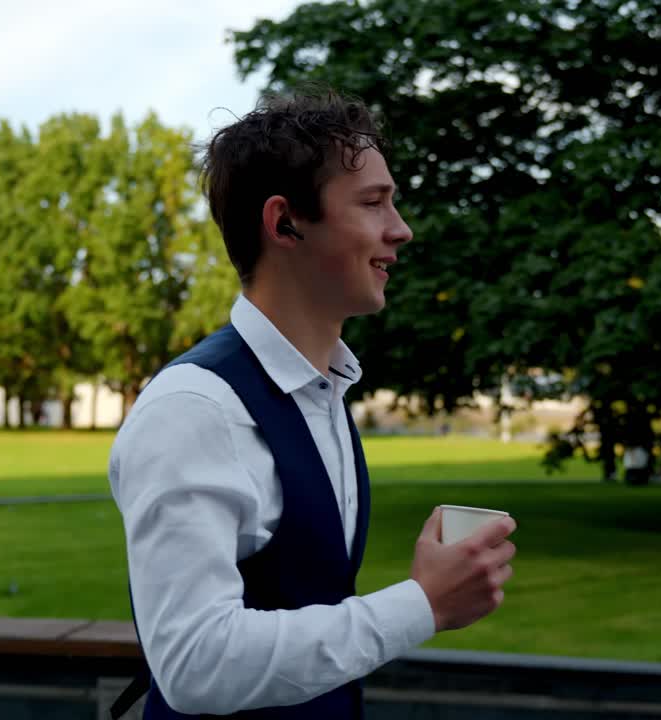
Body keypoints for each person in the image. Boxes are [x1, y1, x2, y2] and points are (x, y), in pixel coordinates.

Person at [107, 88, 518, 719]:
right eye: (373, 203)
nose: (400, 229)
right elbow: (195, 663)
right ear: (285, 223)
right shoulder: (195, 410)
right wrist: (421, 603)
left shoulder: (323, 391)